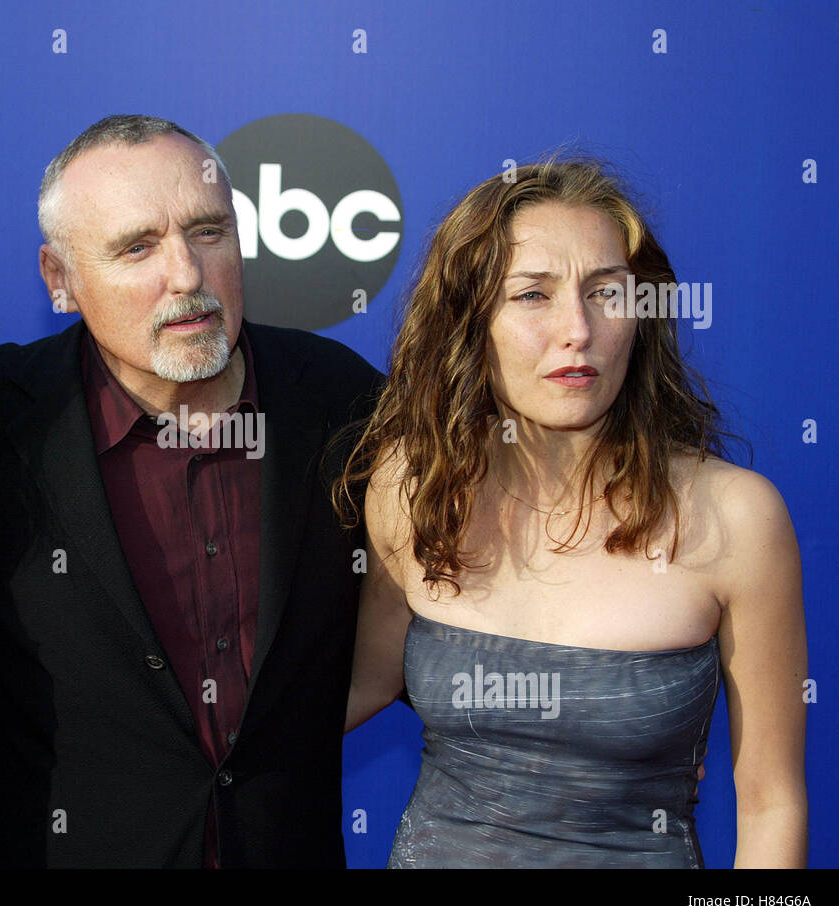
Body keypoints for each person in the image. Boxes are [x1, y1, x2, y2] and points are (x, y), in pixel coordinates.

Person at [0, 115, 384, 867]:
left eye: (208, 233)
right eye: (136, 246)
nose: (186, 275)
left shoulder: (342, 403)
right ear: (59, 278)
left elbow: (410, 649)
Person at [338, 159, 809, 867]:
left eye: (606, 293)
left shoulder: (736, 518)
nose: (578, 329)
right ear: (471, 322)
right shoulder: (414, 486)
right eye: (532, 295)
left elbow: (771, 801)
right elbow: (352, 687)